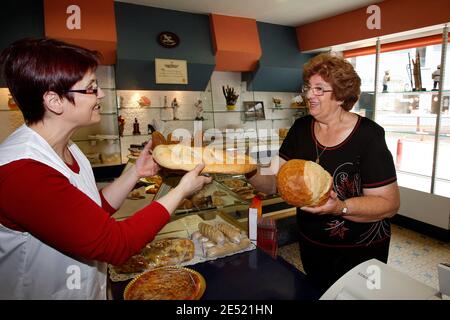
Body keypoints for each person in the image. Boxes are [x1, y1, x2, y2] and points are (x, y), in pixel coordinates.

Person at [0, 38, 212, 299]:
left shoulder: (69, 148)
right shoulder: (22, 171)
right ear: (54, 101)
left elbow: (88, 212)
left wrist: (135, 172)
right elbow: (116, 244)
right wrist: (181, 190)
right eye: (90, 88)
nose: (100, 94)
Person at [246, 53, 400, 293]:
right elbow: (271, 183)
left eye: (319, 89)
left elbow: (389, 205)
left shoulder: (368, 135)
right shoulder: (300, 129)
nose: (308, 95)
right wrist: (247, 169)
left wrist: (340, 207)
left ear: (340, 96)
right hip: (312, 246)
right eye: (308, 87)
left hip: (361, 252)